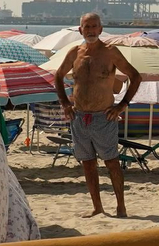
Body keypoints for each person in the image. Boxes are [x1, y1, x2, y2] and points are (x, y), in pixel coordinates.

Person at [54, 13, 141, 218]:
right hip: (79, 117)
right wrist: (65, 103)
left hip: (104, 117)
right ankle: (97, 207)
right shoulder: (75, 53)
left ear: (101, 29)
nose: (91, 30)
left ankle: (121, 206)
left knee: (111, 162)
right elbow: (58, 76)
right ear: (80, 30)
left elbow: (136, 76)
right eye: (87, 27)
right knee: (88, 163)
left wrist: (123, 105)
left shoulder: (110, 52)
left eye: (95, 26)